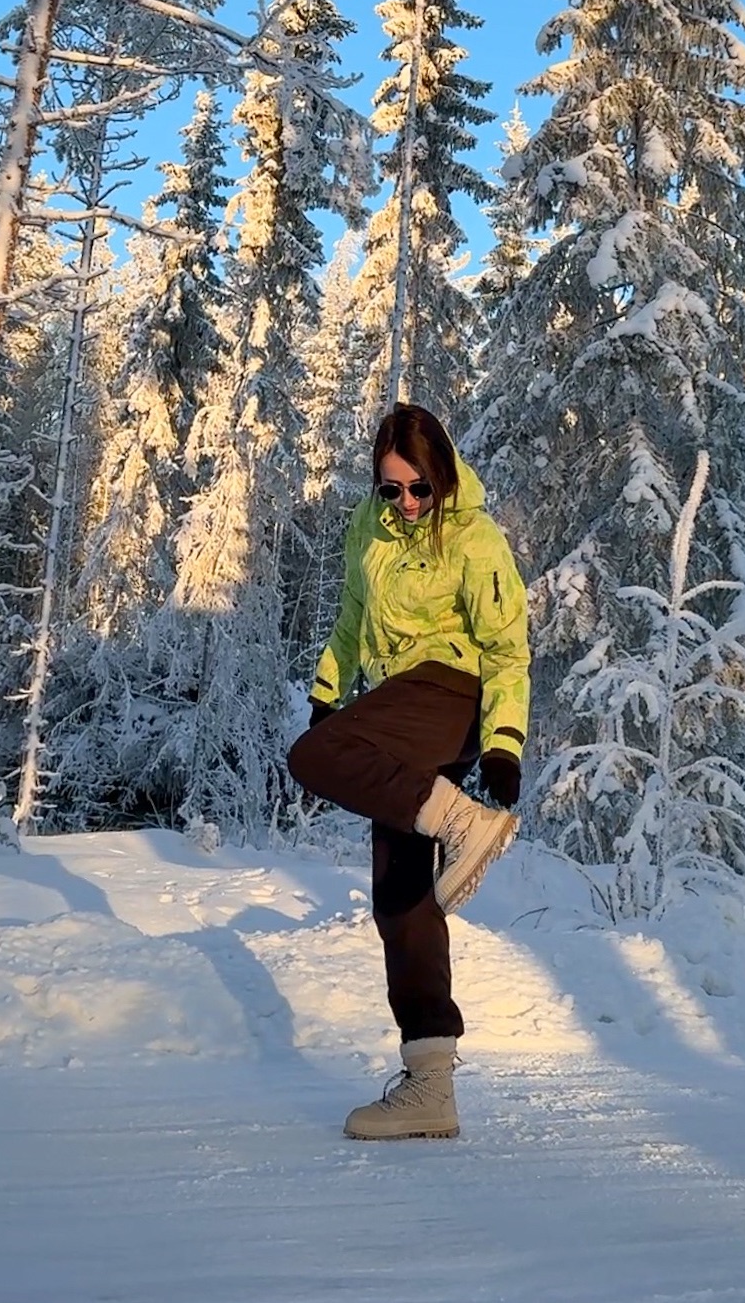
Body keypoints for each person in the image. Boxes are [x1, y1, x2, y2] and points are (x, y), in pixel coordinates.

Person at [287, 402, 530, 1141]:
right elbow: (351, 617)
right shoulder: (370, 526)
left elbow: (507, 650)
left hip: (450, 692)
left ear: (442, 474)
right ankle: (431, 1083)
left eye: (419, 487)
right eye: (391, 488)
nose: (407, 502)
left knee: (310, 759)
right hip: (394, 701)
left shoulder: (475, 537)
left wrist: (504, 744)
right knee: (399, 897)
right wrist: (329, 692)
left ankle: (464, 820)